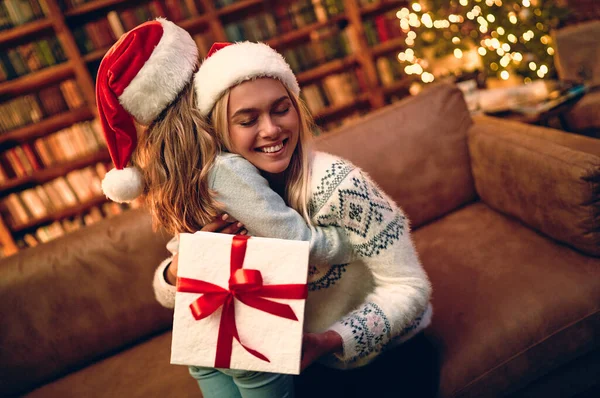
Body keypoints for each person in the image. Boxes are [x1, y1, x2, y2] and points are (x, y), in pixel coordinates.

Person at [97, 19, 434, 398]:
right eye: (247, 119)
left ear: (297, 107)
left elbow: (410, 288)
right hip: (298, 358)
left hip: (379, 356)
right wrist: (180, 269)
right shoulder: (220, 189)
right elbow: (168, 291)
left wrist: (329, 340)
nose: (271, 130)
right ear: (218, 128)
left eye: (280, 109)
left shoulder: (338, 185)